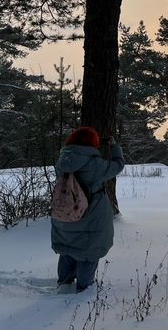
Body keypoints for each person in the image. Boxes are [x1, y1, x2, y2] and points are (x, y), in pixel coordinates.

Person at [51, 126, 124, 293]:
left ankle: (63, 283)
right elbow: (118, 166)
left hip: (64, 216)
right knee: (88, 252)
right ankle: (84, 289)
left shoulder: (62, 162)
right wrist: (114, 147)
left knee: (68, 250)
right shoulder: (95, 165)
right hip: (90, 216)